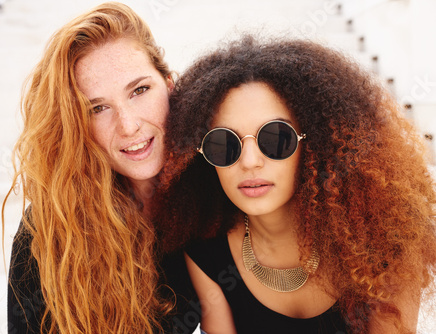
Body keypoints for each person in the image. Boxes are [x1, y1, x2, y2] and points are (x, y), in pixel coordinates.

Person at [155, 35, 436, 333]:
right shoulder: (206, 255)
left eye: (275, 139)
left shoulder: (385, 245)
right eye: (224, 144)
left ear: (315, 144)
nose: (249, 161)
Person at [3, 2, 199, 333]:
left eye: (139, 90)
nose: (128, 125)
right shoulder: (53, 227)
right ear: (77, 124)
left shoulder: (217, 188)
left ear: (169, 84)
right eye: (98, 108)